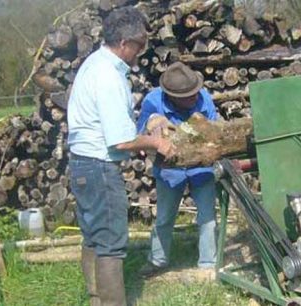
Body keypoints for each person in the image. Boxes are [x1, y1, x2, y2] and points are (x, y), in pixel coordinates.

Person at [67, 6, 176, 306]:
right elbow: (121, 139)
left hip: (81, 163)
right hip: (99, 167)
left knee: (94, 237)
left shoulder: (93, 63)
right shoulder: (108, 76)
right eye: (139, 47)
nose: (140, 54)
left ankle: (95, 299)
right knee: (111, 243)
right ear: (126, 44)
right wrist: (157, 144)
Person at [136, 62, 219, 274]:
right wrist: (154, 123)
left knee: (207, 217)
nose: (194, 97)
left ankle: (208, 264)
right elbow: (141, 132)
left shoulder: (205, 99)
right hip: (169, 169)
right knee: (164, 217)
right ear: (172, 95)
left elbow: (215, 132)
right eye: (188, 96)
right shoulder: (153, 101)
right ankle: (157, 260)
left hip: (201, 166)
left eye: (195, 92)